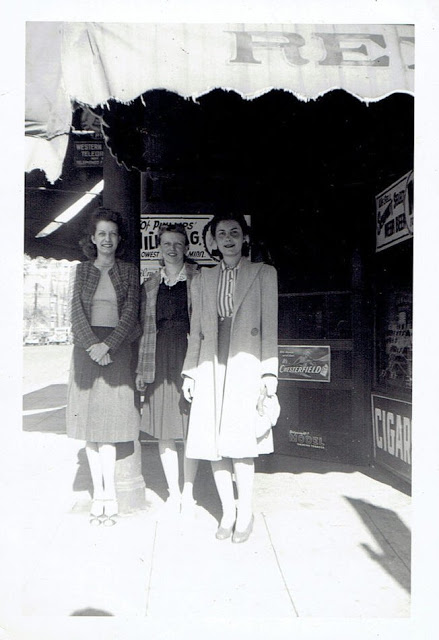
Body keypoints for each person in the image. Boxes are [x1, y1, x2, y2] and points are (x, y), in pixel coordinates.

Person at [182, 212, 278, 543]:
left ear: (244, 237)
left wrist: (269, 371)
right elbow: (196, 330)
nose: (228, 239)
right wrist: (190, 373)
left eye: (234, 232)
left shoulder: (264, 274)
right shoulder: (202, 279)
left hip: (245, 362)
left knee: (241, 442)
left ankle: (245, 512)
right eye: (221, 233)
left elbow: (269, 327)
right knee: (213, 441)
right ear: (213, 240)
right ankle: (228, 512)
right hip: (210, 363)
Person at [66, 207, 141, 526]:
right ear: (93, 239)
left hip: (116, 351)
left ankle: (110, 495)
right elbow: (75, 313)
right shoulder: (82, 271)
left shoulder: (129, 271)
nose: (107, 239)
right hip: (86, 352)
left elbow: (131, 313)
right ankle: (98, 494)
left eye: (112, 233)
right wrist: (93, 346)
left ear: (119, 239)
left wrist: (107, 346)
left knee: (108, 428)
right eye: (102, 234)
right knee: (90, 428)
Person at [136, 224, 199, 514]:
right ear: (159, 248)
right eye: (166, 244)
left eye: (177, 243)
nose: (172, 249)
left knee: (191, 428)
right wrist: (141, 369)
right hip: (158, 358)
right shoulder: (150, 285)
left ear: (186, 247)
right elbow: (144, 330)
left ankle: (189, 492)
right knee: (165, 430)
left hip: (190, 356)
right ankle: (174, 491)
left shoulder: (199, 278)